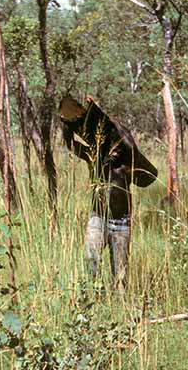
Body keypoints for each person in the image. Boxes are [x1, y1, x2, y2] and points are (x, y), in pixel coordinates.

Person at [62, 105, 156, 291]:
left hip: (122, 222)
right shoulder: (95, 157)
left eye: (119, 144)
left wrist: (115, 124)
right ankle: (91, 297)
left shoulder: (128, 165)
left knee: (120, 273)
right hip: (98, 218)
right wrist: (67, 122)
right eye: (113, 143)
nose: (116, 149)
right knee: (91, 261)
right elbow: (71, 144)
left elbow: (137, 156)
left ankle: (120, 309)